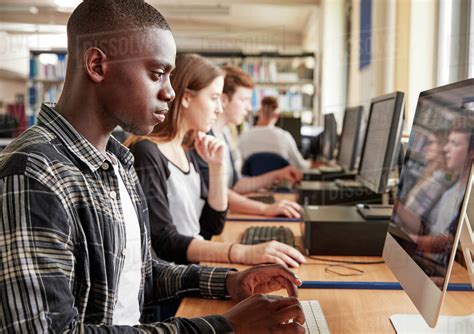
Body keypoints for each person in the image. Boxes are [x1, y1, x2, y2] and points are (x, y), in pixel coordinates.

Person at [0, 1, 306, 332]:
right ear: (97, 65)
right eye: (157, 74)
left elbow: (144, 272)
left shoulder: (119, 162)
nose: (171, 92)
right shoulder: (32, 173)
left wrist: (230, 282)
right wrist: (221, 328)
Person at [126, 53, 305, 267]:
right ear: (186, 97)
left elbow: (212, 226)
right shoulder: (147, 152)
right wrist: (242, 253)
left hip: (193, 270)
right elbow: (165, 242)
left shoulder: (188, 150)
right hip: (172, 283)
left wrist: (217, 167)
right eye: (213, 98)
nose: (219, 109)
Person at [193, 65, 304, 219]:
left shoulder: (225, 133)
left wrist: (276, 175)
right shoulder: (203, 137)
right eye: (244, 100)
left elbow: (236, 185)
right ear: (224, 99)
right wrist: (265, 209)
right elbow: (218, 191)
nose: (249, 107)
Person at [239, 95, 311, 170]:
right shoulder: (284, 137)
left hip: (251, 181)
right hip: (279, 181)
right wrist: (312, 163)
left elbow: (239, 167)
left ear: (258, 112)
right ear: (277, 115)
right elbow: (301, 166)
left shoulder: (243, 137)